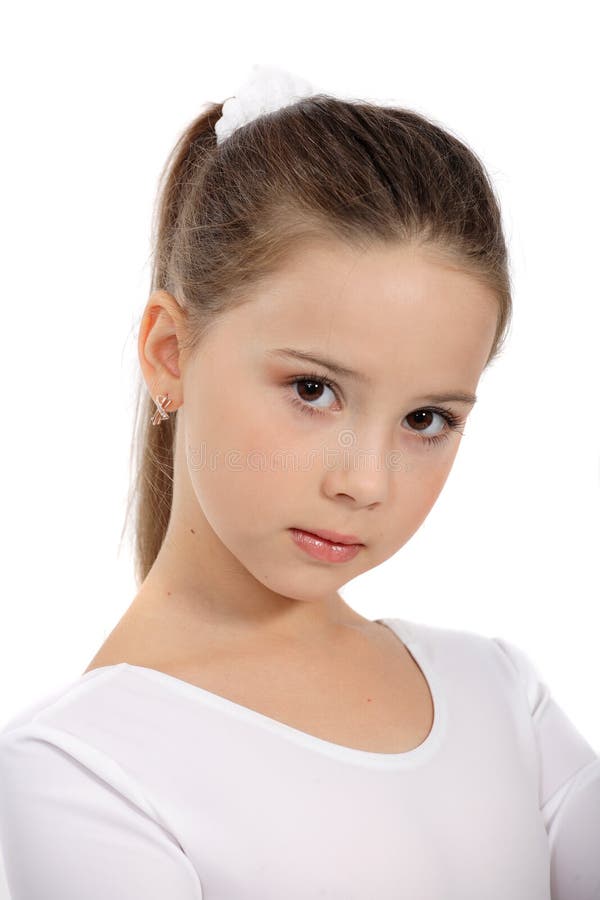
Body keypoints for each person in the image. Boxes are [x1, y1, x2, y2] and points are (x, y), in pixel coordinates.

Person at [0, 63, 598, 899]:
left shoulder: (500, 697)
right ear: (170, 353)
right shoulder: (88, 772)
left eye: (427, 419)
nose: (365, 481)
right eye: (313, 390)